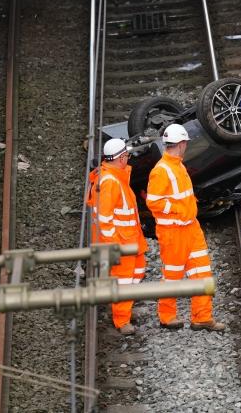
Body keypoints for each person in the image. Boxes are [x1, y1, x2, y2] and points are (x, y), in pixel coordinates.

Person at [146, 124, 225, 331]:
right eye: (185, 143)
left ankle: (202, 317)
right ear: (181, 144)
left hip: (190, 228)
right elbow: (153, 202)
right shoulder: (162, 170)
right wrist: (179, 209)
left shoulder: (177, 166)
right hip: (173, 232)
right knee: (172, 275)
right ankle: (167, 316)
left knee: (202, 271)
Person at [86, 138, 147, 335]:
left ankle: (125, 309)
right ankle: (122, 320)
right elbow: (105, 218)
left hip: (130, 239)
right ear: (121, 158)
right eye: (127, 156)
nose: (128, 159)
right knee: (123, 280)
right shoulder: (111, 181)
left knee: (136, 274)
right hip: (121, 242)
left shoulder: (116, 177)